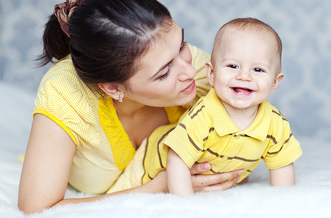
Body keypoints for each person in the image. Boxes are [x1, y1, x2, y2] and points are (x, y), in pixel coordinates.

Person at [17, 0, 243, 214]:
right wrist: (161, 185)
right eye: (164, 73)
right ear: (113, 88)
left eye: (182, 44)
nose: (189, 71)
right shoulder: (64, 93)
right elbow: (36, 207)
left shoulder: (194, 66)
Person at [110, 17, 302, 195]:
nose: (244, 76)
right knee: (118, 196)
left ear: (275, 83)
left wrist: (283, 202)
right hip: (154, 162)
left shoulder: (275, 123)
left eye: (258, 69)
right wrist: (187, 205)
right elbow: (177, 160)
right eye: (233, 66)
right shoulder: (203, 116)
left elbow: (282, 165)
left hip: (211, 172)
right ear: (211, 74)